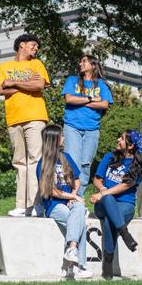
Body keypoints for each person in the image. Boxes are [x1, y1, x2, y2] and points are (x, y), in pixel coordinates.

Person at [0, 33, 50, 217]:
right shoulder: (3, 66)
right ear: (21, 45)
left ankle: (36, 204)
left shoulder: (37, 64)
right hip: (13, 119)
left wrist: (14, 83)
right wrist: (26, 84)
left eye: (37, 46)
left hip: (35, 116)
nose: (36, 48)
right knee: (19, 162)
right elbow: (0, 89)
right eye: (33, 44)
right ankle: (21, 206)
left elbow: (39, 85)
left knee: (35, 160)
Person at [36, 125, 93, 279]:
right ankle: (79, 267)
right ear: (54, 139)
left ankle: (72, 252)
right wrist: (72, 197)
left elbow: (77, 180)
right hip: (53, 205)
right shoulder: (43, 163)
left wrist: (74, 194)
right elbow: (50, 191)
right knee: (78, 221)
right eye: (61, 135)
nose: (64, 138)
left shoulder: (66, 157)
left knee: (79, 209)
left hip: (70, 200)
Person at [91, 130, 142, 280]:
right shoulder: (110, 157)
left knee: (110, 219)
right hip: (103, 204)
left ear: (130, 146)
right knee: (109, 199)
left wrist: (103, 193)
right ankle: (125, 234)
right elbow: (97, 179)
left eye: (121, 139)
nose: (118, 140)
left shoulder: (137, 164)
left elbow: (125, 186)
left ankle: (107, 265)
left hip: (126, 205)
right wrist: (103, 191)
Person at [62, 54, 113, 195]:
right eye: (80, 61)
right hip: (72, 127)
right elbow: (69, 99)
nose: (81, 63)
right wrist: (91, 98)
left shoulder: (101, 84)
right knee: (72, 162)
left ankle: (79, 197)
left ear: (93, 65)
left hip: (92, 130)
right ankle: (69, 195)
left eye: (84, 61)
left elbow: (104, 104)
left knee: (85, 164)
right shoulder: (72, 81)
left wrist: (82, 101)